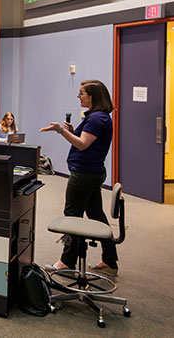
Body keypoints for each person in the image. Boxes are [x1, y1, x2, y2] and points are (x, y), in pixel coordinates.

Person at [41, 80, 118, 276]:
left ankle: (67, 261)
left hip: (84, 175)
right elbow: (87, 141)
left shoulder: (96, 119)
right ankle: (110, 261)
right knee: (96, 215)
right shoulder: (99, 117)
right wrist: (71, 130)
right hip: (92, 173)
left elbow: (82, 145)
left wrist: (61, 131)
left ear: (93, 96)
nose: (79, 96)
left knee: (72, 215)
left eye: (82, 93)